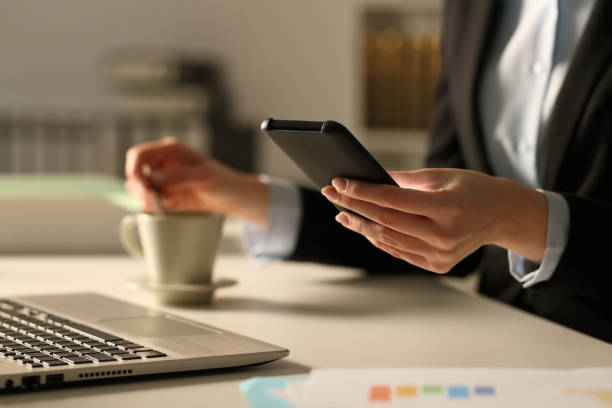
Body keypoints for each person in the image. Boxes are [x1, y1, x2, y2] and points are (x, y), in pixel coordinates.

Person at [125, 0, 612, 343]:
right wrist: (237, 194)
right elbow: (439, 234)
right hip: (506, 347)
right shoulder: (472, 7)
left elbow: (489, 221)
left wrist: (518, 218)